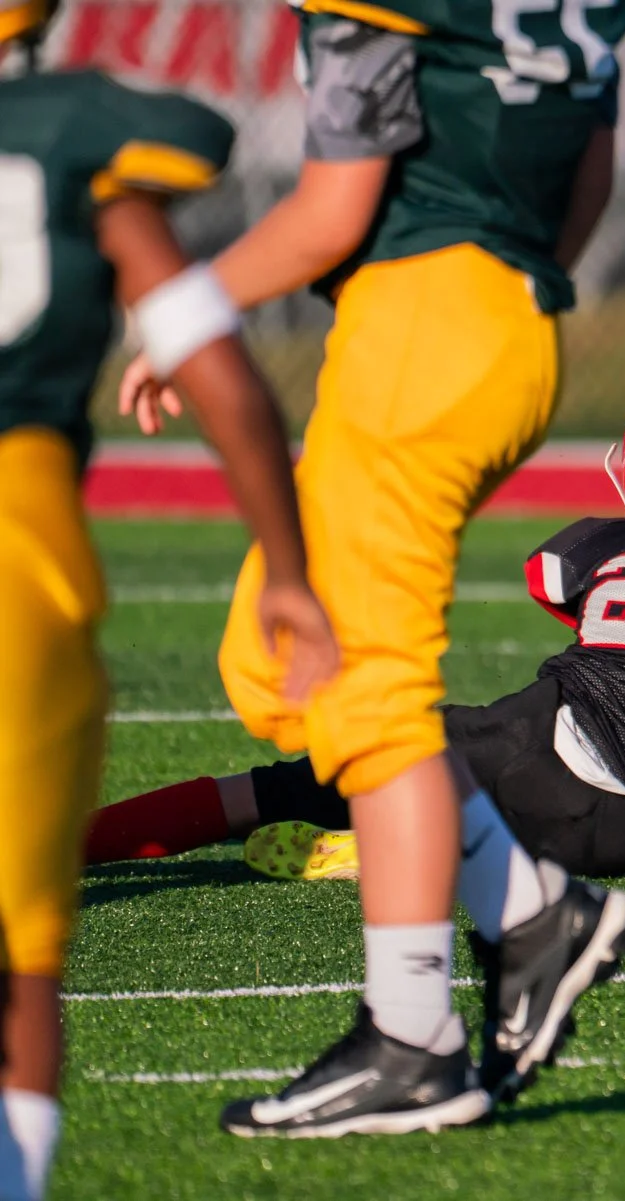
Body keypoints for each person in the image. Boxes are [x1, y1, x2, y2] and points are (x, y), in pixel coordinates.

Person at [112, 0, 625, 1136]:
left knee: (368, 682)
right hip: (507, 317)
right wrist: (513, 296)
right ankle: (527, 906)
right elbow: (587, 168)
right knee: (277, 655)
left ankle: (414, 1039)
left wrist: (182, 316)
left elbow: (331, 206)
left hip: (425, 319)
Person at [90, 373, 625, 906]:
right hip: (611, 835)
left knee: (272, 787)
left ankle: (70, 846)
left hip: (521, 742)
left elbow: (620, 713)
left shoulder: (608, 545)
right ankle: (431, 841)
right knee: (562, 786)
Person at [0, 1, 338, 1190]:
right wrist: (289, 572)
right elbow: (222, 379)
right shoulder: (77, 143)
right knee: (24, 961)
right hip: (20, 559)